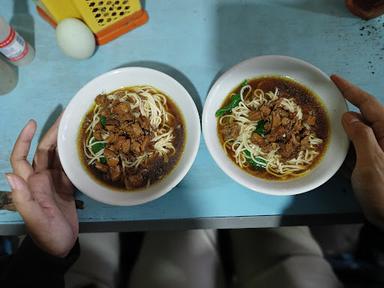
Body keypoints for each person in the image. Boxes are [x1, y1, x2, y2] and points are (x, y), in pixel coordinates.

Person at [0, 75, 383, 287]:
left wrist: (47, 256)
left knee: (169, 251)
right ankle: (203, 232)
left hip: (64, 273)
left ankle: (189, 233)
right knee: (287, 255)